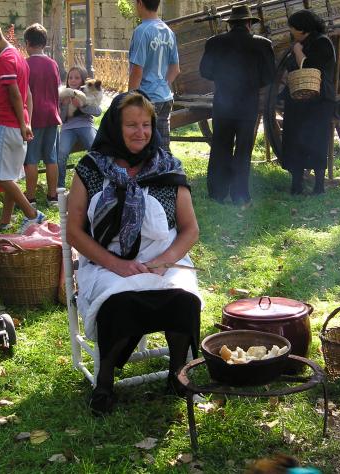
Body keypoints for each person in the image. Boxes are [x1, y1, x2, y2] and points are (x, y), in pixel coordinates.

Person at [66, 91, 202, 415]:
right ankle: (105, 383)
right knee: (119, 302)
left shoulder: (167, 167)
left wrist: (163, 262)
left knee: (182, 299)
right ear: (115, 126)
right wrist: (117, 265)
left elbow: (190, 229)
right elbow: (74, 232)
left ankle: (177, 375)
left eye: (146, 125)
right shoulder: (91, 168)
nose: (141, 132)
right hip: (106, 263)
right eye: (131, 125)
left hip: (163, 261)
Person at [0, 20, 46, 233]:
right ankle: (5, 221)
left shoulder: (5, 59)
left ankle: (32, 215)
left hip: (7, 125)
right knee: (9, 176)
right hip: (19, 126)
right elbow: (27, 94)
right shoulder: (19, 57)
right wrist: (27, 122)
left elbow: (14, 94)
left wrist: (22, 124)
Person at [199, 5, 275, 205]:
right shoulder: (263, 45)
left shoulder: (214, 42)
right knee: (243, 151)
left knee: (220, 148)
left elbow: (205, 72)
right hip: (247, 106)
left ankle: (217, 193)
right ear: (249, 24)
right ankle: (240, 195)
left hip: (223, 104)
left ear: (230, 24)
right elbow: (269, 76)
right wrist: (252, 83)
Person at [282, 9, 336, 195]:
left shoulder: (322, 42)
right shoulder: (302, 42)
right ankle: (296, 185)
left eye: (292, 27)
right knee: (295, 141)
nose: (291, 31)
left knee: (316, 141)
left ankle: (319, 187)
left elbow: (310, 68)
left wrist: (298, 51)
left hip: (318, 101)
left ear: (302, 28)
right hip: (297, 100)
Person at [128, 0, 180, 151]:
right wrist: (162, 85)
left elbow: (137, 72)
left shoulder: (142, 31)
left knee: (143, 148)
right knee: (163, 149)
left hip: (146, 99)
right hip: (165, 98)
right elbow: (175, 69)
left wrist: (129, 100)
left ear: (140, 3)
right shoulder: (168, 31)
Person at [23, 23, 62, 208]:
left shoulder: (26, 64)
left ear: (27, 43)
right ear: (44, 43)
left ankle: (30, 198)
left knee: (31, 159)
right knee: (51, 158)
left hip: (33, 117)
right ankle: (52, 196)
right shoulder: (53, 64)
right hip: (52, 115)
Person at [57, 66, 101, 189]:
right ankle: (60, 186)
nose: (73, 80)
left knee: (95, 149)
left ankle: (97, 181)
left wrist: (82, 106)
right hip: (67, 128)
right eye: (70, 78)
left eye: (77, 78)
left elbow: (98, 111)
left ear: (83, 80)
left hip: (85, 125)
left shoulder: (90, 92)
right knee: (61, 154)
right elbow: (61, 119)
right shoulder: (63, 94)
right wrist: (65, 105)